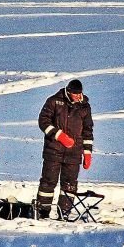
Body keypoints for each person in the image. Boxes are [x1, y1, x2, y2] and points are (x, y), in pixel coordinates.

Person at [37, 79, 93, 219]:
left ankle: (64, 213)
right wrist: (59, 135)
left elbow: (87, 131)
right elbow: (43, 121)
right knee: (48, 182)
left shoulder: (85, 107)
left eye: (79, 94)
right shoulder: (53, 101)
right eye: (74, 93)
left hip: (74, 153)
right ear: (68, 91)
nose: (77, 96)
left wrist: (87, 153)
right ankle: (42, 212)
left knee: (69, 186)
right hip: (53, 151)